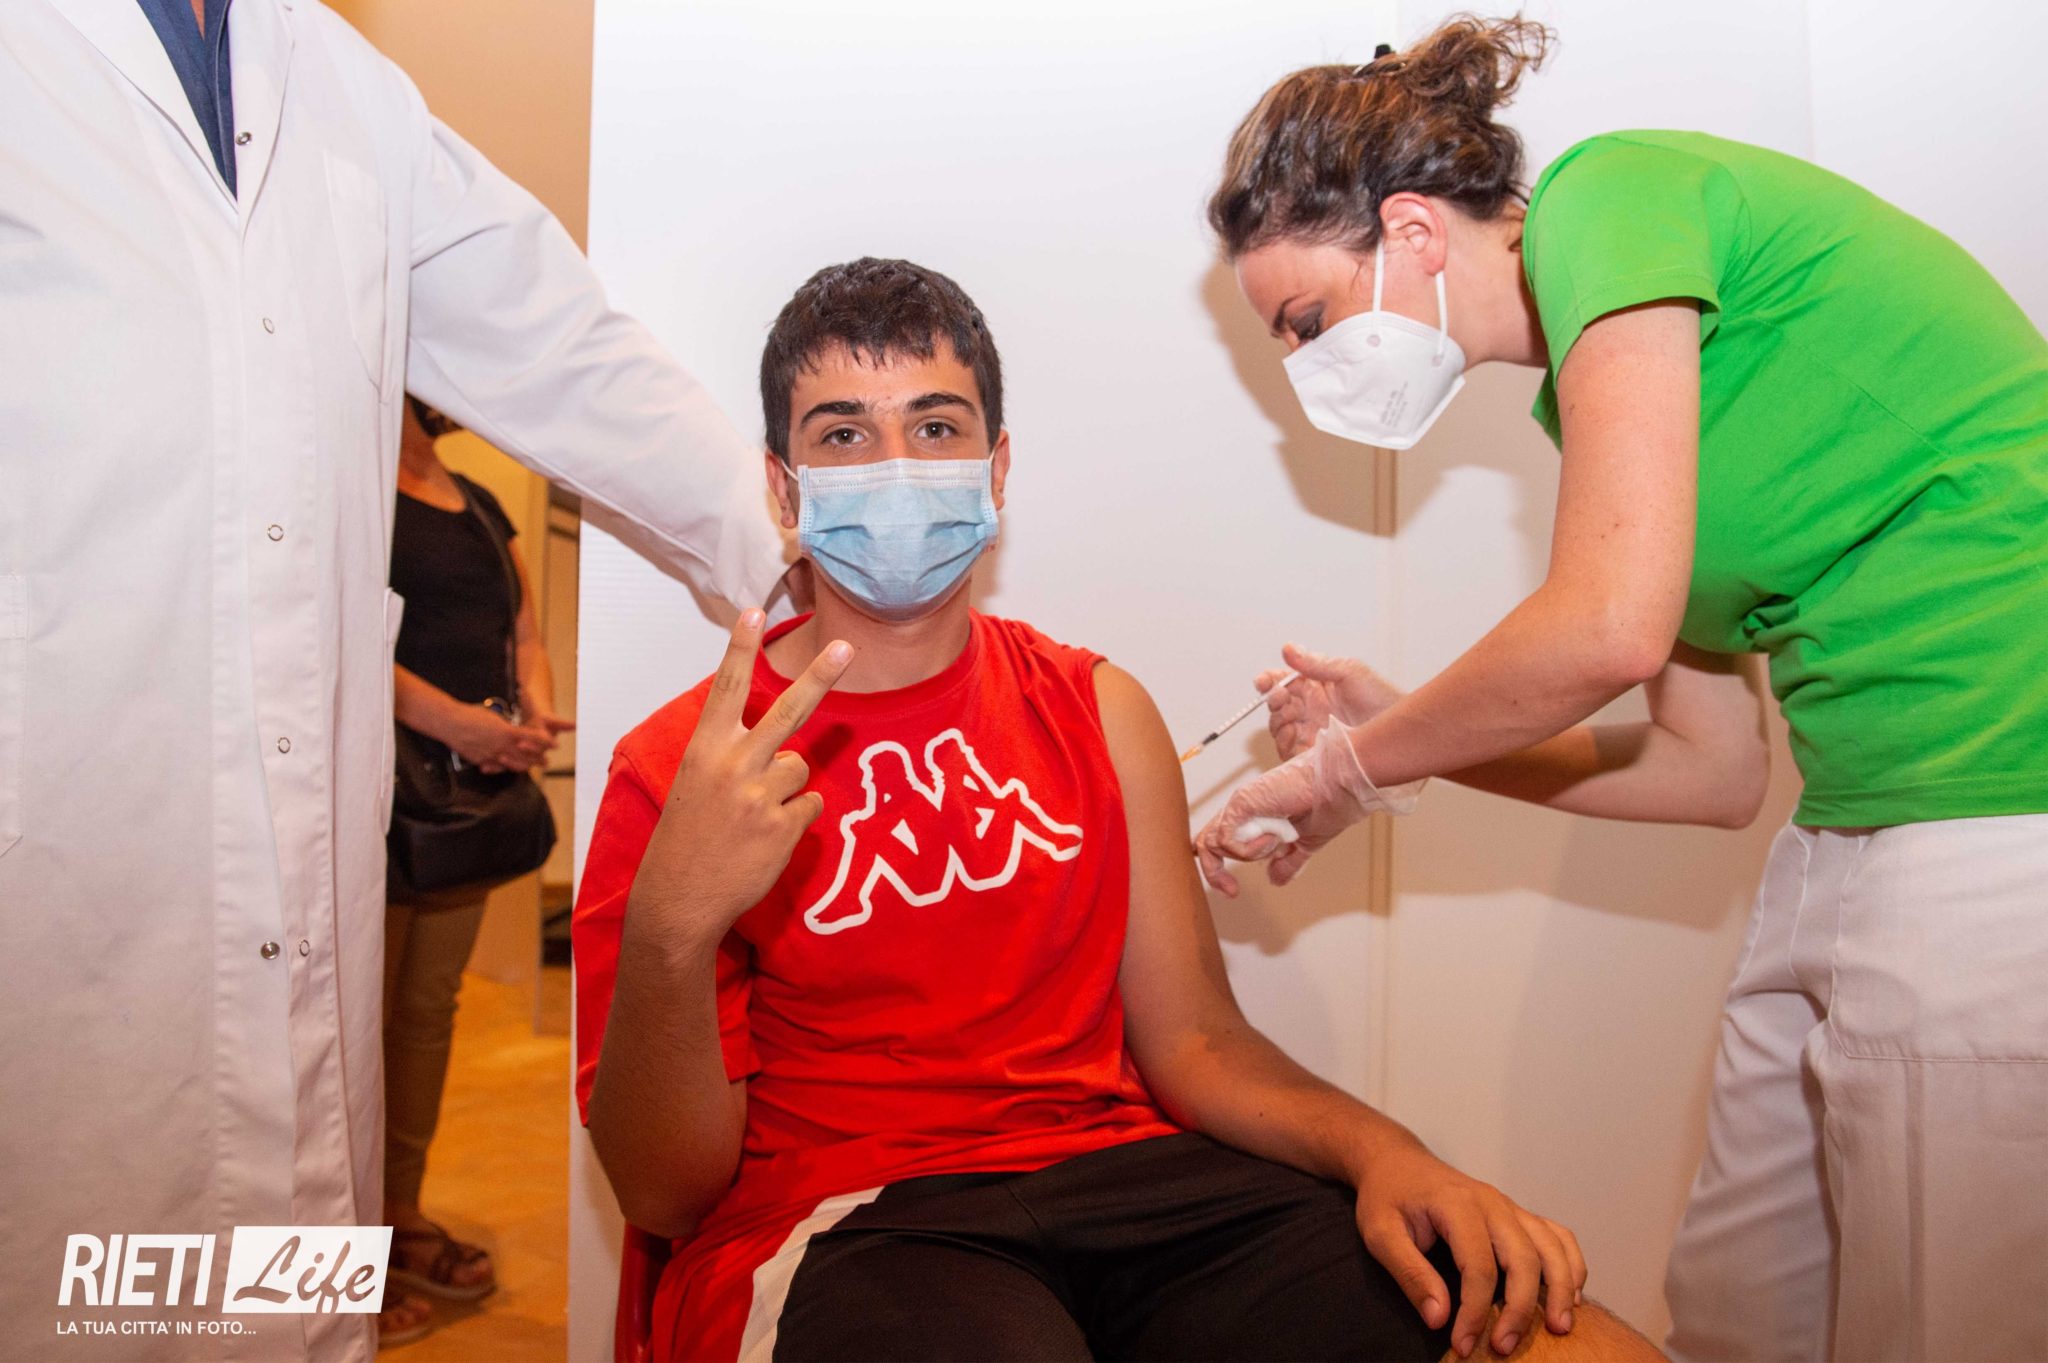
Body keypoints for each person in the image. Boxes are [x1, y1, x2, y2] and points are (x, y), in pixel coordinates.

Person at [574, 257, 1664, 1363]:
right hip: (854, 1221)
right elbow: (663, 1194)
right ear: (782, 487)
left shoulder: (1097, 707)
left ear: (996, 469)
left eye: (937, 427)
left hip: (1134, 1183)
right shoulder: (683, 770)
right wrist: (671, 929)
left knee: (1559, 1343)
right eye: (845, 434)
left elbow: (1196, 1040)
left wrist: (1390, 1153)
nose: (897, 466)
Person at [1193, 17, 2048, 1363]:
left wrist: (1354, 763)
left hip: (1996, 811)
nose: (1307, 368)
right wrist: (1402, 741)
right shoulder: (1593, 392)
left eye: (1306, 321)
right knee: (1739, 1308)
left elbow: (1602, 630)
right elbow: (1710, 771)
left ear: (1411, 229)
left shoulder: (1611, 192)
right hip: (1845, 825)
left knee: (1942, 1327)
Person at [0, 2, 788, 1357]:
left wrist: (798, 557)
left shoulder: (341, 84)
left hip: (295, 890)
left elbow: (555, 342)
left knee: (282, 1292)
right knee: (75, 1286)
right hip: (71, 875)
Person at [374, 398, 572, 1344]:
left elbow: (522, 632)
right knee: (348, 1031)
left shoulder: (481, 503)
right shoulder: (349, 490)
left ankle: (396, 1216)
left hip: (459, 803)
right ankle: (337, 1251)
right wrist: (458, 723)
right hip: (368, 793)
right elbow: (331, 636)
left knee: (423, 1015)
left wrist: (530, 710)